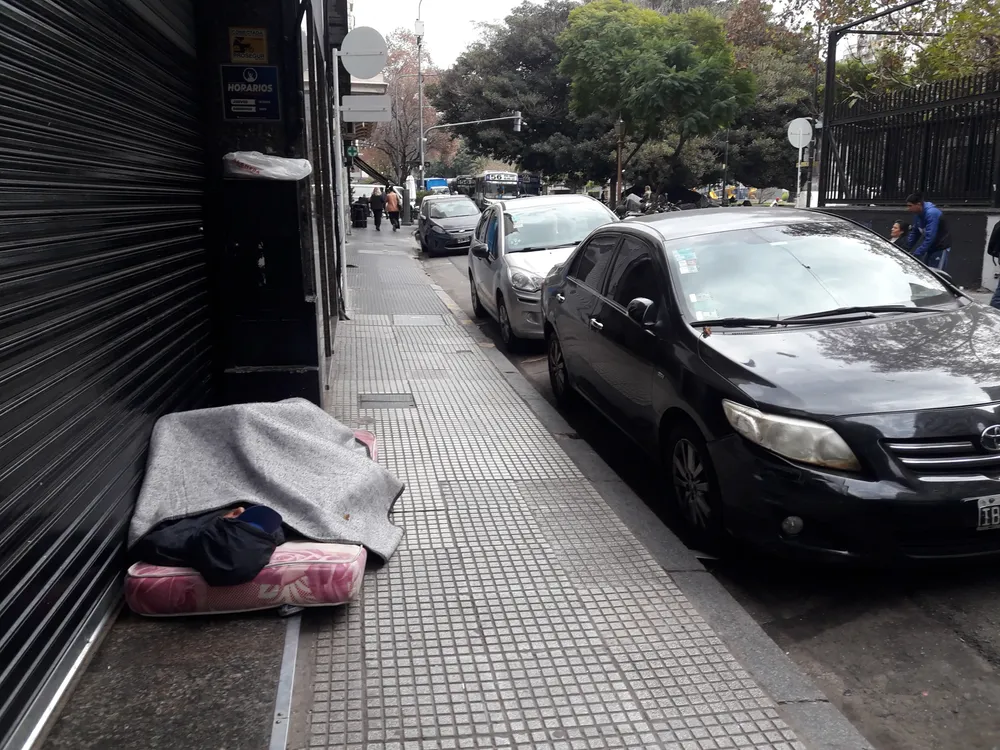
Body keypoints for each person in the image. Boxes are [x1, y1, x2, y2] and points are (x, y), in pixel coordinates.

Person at [906, 192, 951, 270]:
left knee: (937, 274)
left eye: (910, 206)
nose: (908, 209)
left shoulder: (932, 213)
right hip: (930, 248)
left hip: (940, 247)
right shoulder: (918, 215)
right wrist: (905, 248)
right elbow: (915, 233)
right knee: (927, 272)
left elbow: (930, 236)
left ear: (919, 204)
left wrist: (918, 252)